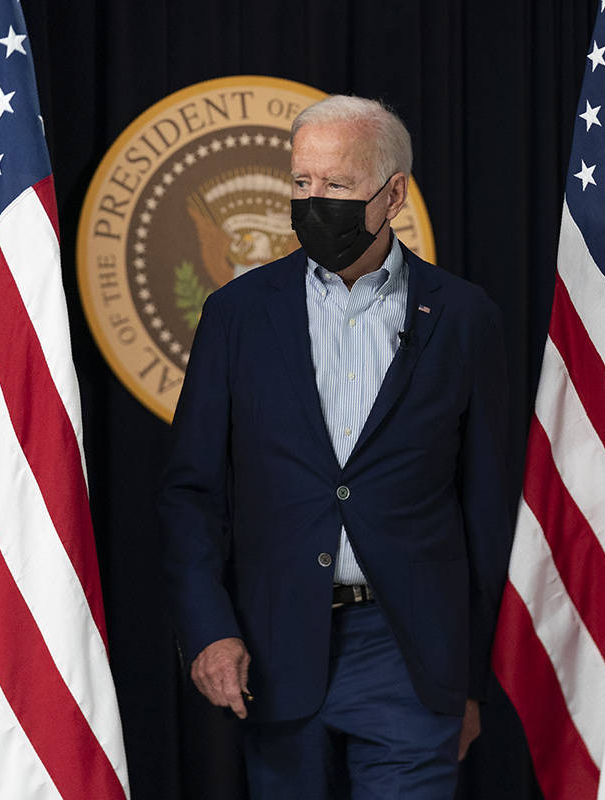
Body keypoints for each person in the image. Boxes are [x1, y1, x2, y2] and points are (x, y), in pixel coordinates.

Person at [159, 95, 513, 799]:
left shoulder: (465, 316)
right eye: (302, 183)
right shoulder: (237, 314)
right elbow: (191, 491)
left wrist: (470, 679)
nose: (314, 201)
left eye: (338, 186)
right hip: (276, 646)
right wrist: (207, 628)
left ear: (393, 194)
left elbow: (488, 505)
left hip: (410, 654)